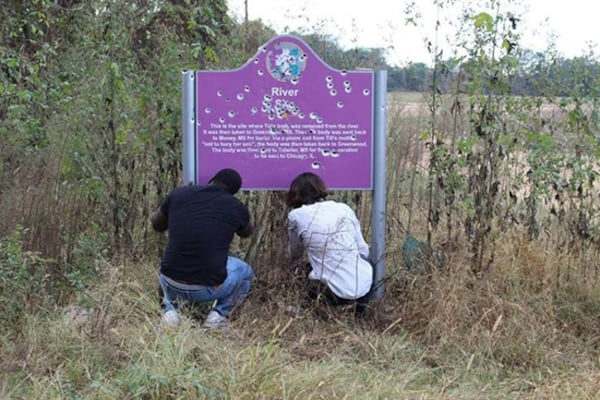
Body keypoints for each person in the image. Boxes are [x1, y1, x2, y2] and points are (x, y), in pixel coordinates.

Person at [151, 168, 254, 328]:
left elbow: (157, 224)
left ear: (212, 179)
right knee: (245, 271)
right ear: (234, 192)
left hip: (170, 283)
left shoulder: (179, 194)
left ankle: (170, 312)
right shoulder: (235, 206)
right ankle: (219, 315)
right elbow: (246, 232)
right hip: (208, 288)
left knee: (171, 264)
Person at [285, 172, 373, 317]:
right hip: (363, 286)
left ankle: (309, 309)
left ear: (295, 194)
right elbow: (362, 248)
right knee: (366, 262)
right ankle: (361, 313)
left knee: (303, 269)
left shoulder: (296, 216)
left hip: (329, 292)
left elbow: (295, 254)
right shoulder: (344, 208)